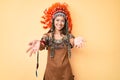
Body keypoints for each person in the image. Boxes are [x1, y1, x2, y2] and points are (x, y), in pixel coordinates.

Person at [27, 2, 85, 80]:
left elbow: (72, 41)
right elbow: (43, 44)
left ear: (65, 23)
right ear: (53, 21)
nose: (59, 23)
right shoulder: (48, 36)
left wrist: (75, 41)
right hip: (50, 74)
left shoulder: (68, 37)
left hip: (66, 73)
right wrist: (39, 44)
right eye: (57, 20)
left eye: (62, 21)